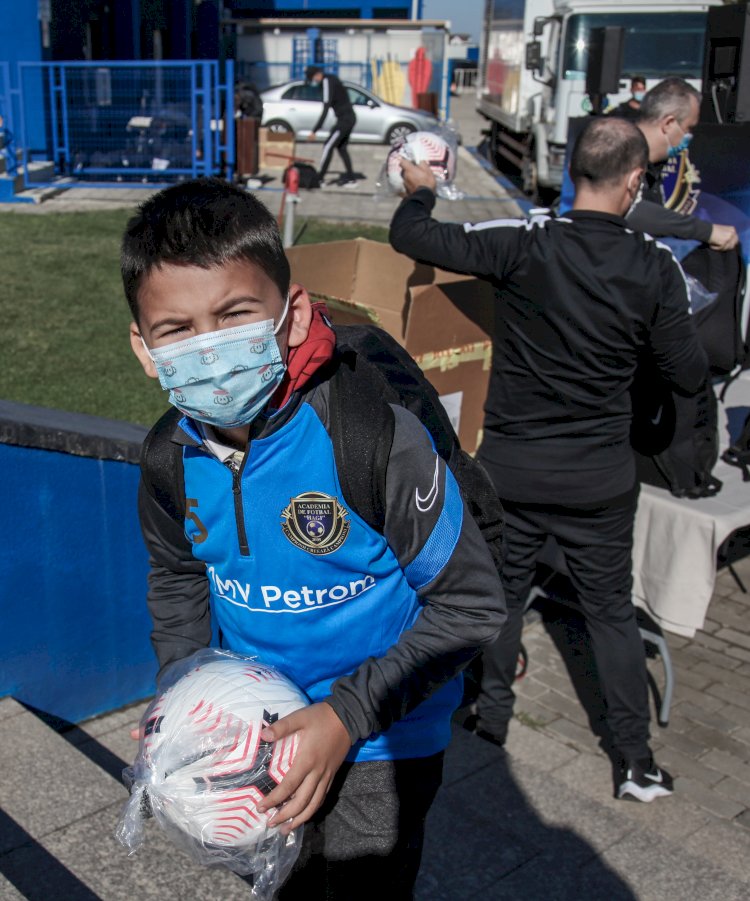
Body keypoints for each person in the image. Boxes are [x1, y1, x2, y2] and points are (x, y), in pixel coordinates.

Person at [122, 178, 505, 898]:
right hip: (249, 730)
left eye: (235, 315)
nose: (209, 351)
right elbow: (175, 573)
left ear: (292, 316)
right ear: (145, 348)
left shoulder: (368, 436)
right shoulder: (168, 457)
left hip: (383, 738)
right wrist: (180, 684)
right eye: (177, 329)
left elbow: (472, 604)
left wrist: (346, 714)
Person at [389, 117, 709, 802]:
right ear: (633, 182)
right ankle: (632, 760)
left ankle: (490, 717)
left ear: (573, 174)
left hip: (512, 469)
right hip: (599, 477)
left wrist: (420, 188)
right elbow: (687, 373)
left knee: (503, 594)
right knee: (610, 612)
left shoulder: (523, 242)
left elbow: (411, 237)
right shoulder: (654, 264)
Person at [629, 77, 739, 252]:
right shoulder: (617, 151)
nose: (690, 136)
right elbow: (629, 209)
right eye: (689, 128)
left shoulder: (652, 165)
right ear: (669, 123)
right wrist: (706, 231)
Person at [305, 65, 358, 188]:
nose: (315, 82)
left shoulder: (327, 81)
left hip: (345, 120)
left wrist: (315, 130)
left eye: (313, 78)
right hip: (348, 118)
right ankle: (351, 179)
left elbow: (326, 106)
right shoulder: (332, 78)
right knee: (341, 148)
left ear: (317, 75)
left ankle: (319, 179)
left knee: (328, 146)